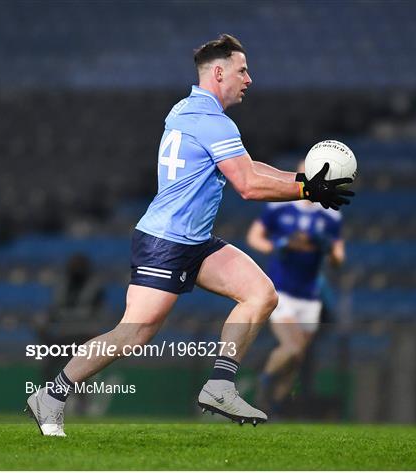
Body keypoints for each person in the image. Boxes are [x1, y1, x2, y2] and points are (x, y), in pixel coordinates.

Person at [25, 34, 354, 436]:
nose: (248, 78)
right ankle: (51, 395)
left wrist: (304, 181)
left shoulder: (188, 110)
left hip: (194, 241)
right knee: (134, 334)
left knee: (261, 293)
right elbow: (248, 186)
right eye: (241, 70)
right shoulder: (212, 121)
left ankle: (219, 385)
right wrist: (306, 189)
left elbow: (250, 167)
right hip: (165, 242)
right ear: (219, 72)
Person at [247, 163, 345, 416]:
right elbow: (254, 237)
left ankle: (273, 408)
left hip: (310, 296)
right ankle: (265, 382)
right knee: (291, 347)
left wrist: (327, 249)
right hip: (282, 292)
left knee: (298, 357)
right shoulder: (280, 208)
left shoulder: (330, 215)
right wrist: (278, 245)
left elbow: (338, 258)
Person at [37, 254, 105, 415]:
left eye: (79, 265)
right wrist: (44, 326)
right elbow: (54, 311)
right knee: (49, 368)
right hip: (63, 335)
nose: (76, 269)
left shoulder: (94, 287)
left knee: (81, 372)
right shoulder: (61, 285)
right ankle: (50, 402)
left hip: (83, 336)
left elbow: (97, 313)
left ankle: (81, 406)